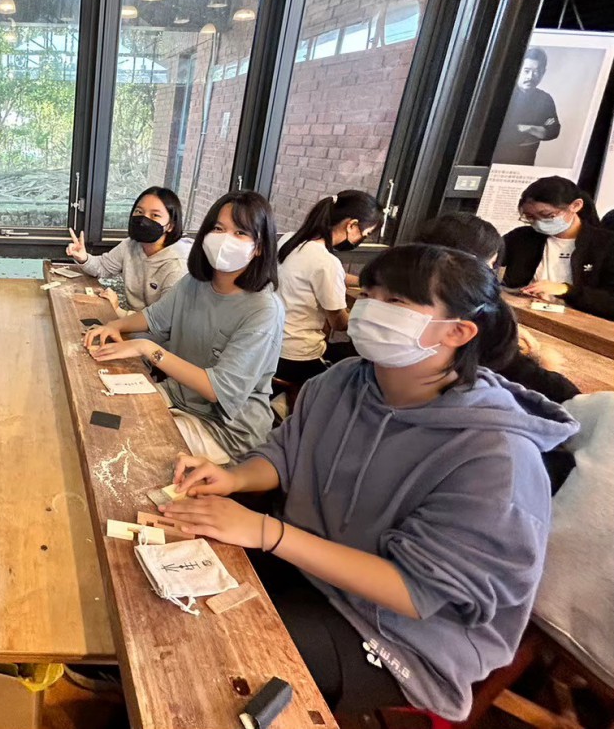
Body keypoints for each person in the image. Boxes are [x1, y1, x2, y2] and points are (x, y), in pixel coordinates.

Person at [163, 244, 579, 720]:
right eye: (369, 294)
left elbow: (415, 591)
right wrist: (234, 477)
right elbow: (287, 452)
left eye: (396, 302)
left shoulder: (496, 458)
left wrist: (266, 531)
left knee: (217, 654)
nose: (370, 309)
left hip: (397, 634)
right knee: (175, 580)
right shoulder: (344, 381)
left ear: (459, 331)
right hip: (307, 567)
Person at [83, 191, 284, 463]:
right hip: (177, 396)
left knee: (127, 447)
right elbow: (153, 318)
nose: (225, 239)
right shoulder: (195, 283)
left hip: (224, 430)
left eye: (240, 233)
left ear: (259, 246)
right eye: (218, 228)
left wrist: (147, 348)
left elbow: (217, 389)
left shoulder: (263, 310)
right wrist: (113, 325)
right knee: (104, 412)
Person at [414, 211, 579, 403]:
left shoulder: (403, 288)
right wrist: (544, 364)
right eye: (490, 264)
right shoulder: (478, 313)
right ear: (469, 262)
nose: (490, 272)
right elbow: (521, 373)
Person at [275, 191, 382, 386]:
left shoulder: (290, 240)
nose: (362, 239)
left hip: (271, 345)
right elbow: (339, 324)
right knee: (360, 364)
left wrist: (364, 282)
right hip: (296, 356)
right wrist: (365, 315)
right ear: (351, 225)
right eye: (364, 234)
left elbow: (321, 273)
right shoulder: (326, 262)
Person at [502, 175, 614, 320]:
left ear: (575, 206)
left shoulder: (606, 245)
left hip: (580, 323)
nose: (539, 223)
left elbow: (609, 302)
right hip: (525, 316)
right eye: (530, 217)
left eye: (547, 215)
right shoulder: (520, 238)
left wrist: (565, 290)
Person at [64, 186, 188, 314]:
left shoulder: (178, 266)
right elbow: (103, 267)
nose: (143, 220)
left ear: (170, 225)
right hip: (131, 320)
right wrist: (83, 257)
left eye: (155, 215)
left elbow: (166, 320)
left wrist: (117, 310)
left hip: (152, 326)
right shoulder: (131, 245)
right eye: (139, 211)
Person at [492, 47, 561, 166]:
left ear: (543, 73)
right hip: (496, 161)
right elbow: (498, 131)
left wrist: (528, 128)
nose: (530, 77)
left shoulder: (545, 99)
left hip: (526, 162)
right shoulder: (501, 94)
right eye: (526, 71)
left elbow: (554, 130)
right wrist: (538, 130)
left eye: (536, 72)